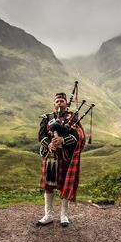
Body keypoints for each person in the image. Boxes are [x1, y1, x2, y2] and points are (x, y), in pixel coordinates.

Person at [36, 92, 86, 227]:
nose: (59, 103)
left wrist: (62, 140)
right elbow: (41, 135)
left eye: (62, 101)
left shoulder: (73, 118)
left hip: (64, 156)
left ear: (66, 103)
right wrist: (50, 144)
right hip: (51, 156)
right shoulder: (47, 117)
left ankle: (64, 215)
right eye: (57, 101)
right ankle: (48, 215)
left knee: (64, 185)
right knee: (48, 186)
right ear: (54, 104)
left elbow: (78, 135)